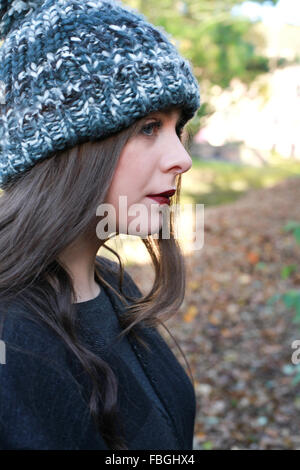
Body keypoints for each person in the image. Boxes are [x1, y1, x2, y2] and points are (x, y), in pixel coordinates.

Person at [0, 0, 201, 450]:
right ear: (67, 150)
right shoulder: (12, 339)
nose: (182, 160)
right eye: (149, 126)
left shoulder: (112, 285)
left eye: (177, 128)